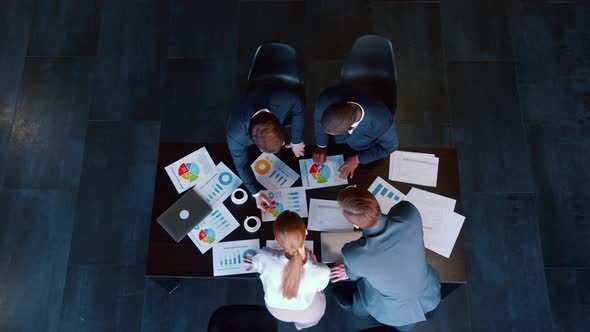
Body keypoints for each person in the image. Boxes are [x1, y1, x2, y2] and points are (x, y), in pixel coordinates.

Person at [330, 187, 440, 331]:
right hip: (429, 293)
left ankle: (360, 311)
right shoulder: (409, 213)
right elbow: (398, 210)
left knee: (366, 288)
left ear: (355, 225)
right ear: (374, 202)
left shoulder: (352, 254)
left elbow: (354, 274)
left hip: (393, 311)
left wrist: (349, 270)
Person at [244, 211, 330, 330]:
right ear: (305, 232)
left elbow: (256, 262)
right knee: (310, 315)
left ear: (276, 240)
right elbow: (320, 288)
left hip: (276, 311)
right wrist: (315, 264)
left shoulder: (264, 257)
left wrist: (258, 260)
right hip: (308, 312)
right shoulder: (322, 271)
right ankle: (300, 326)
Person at [226, 86, 305, 211]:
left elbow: (298, 108)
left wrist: (296, 141)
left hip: (270, 93)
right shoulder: (235, 136)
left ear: (279, 124)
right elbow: (241, 165)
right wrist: (256, 193)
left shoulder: (285, 98)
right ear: (259, 148)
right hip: (244, 107)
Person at [312, 84, 399, 179]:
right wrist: (322, 146)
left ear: (349, 129)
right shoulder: (326, 99)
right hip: (339, 145)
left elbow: (390, 147)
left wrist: (358, 159)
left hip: (365, 148)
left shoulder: (382, 121)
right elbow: (318, 122)